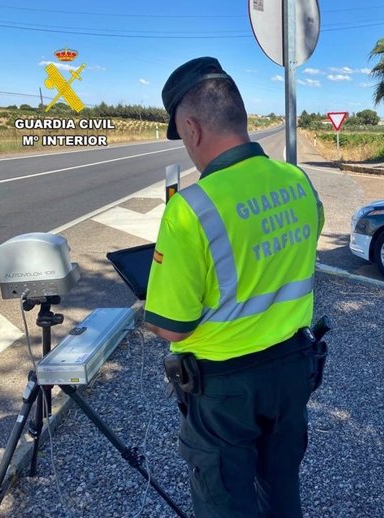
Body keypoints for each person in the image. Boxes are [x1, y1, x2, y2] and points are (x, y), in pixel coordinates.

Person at [144, 56, 324, 518]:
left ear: (191, 127)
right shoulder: (299, 182)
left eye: (182, 135)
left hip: (225, 392)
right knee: (282, 492)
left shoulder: (189, 209)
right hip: (291, 373)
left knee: (225, 504)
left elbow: (174, 328)